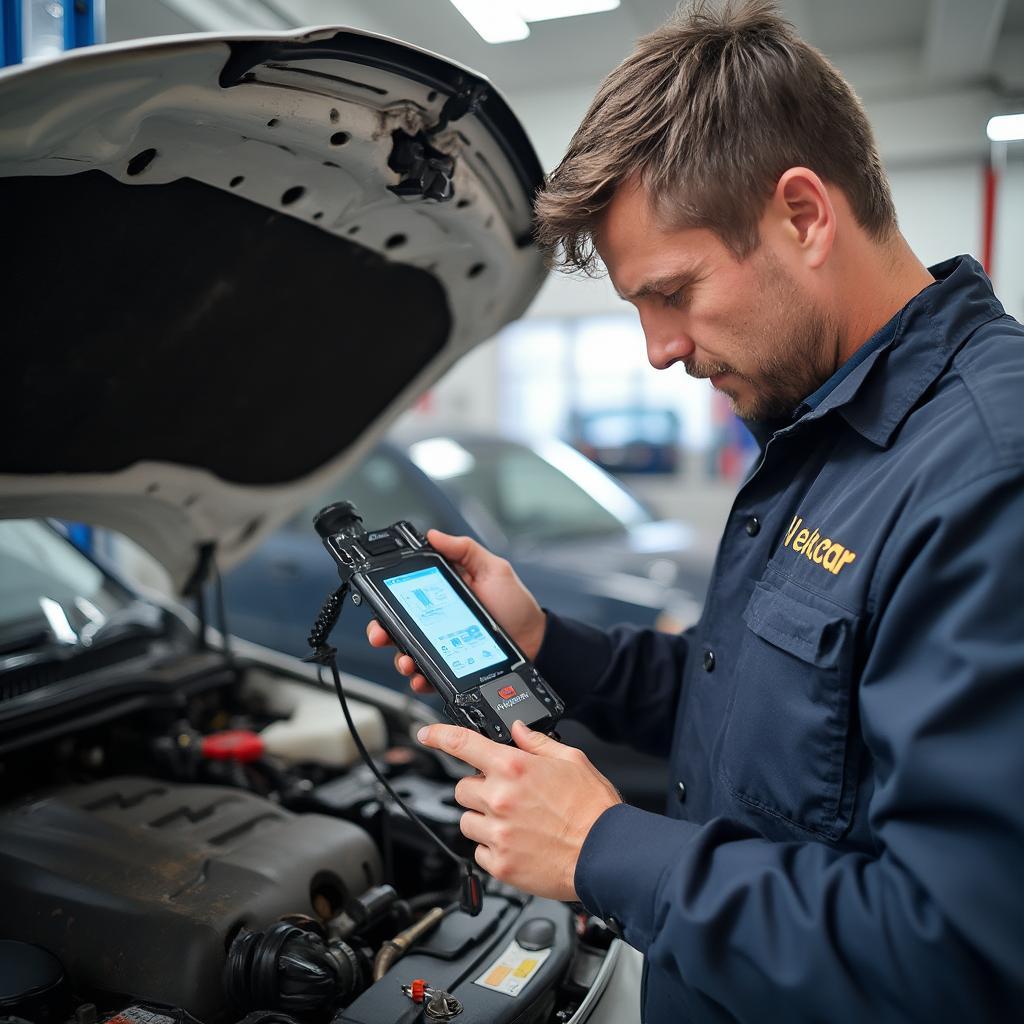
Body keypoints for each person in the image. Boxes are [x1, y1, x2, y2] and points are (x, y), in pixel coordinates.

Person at [367, 1, 1024, 1019]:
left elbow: (958, 952)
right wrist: (545, 640)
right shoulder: (818, 426)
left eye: (671, 291)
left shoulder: (989, 475)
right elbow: (759, 717)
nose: (657, 350)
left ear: (803, 215)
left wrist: (604, 848)